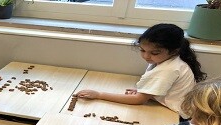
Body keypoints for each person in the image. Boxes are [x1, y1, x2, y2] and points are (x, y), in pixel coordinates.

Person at [76, 23, 206, 119]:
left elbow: (139, 100)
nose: (146, 56)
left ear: (174, 51)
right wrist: (146, 92)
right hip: (178, 109)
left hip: (178, 117)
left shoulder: (169, 69)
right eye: (142, 50)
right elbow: (166, 90)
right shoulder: (168, 61)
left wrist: (99, 95)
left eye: (154, 53)